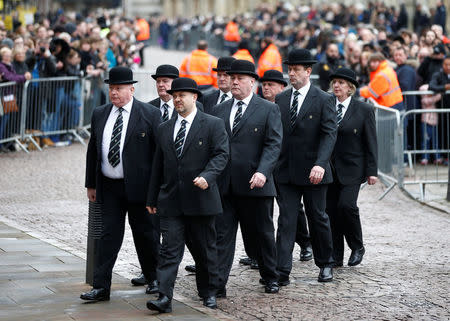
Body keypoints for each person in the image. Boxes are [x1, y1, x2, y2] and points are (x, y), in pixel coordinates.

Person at [146, 77, 229, 313]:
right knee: (169, 250)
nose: (177, 99)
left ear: (194, 97)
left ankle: (209, 292)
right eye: (175, 95)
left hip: (201, 200)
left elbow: (221, 155)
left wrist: (208, 176)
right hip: (171, 201)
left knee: (204, 250)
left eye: (182, 95)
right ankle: (164, 297)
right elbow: (158, 165)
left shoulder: (213, 124)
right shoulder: (164, 129)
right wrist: (152, 199)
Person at [80, 66, 161, 302]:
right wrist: (91, 184)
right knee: (107, 236)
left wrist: (155, 190)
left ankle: (154, 279)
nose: (114, 93)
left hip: (140, 188)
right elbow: (93, 151)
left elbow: (158, 156)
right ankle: (101, 286)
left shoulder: (149, 114)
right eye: (111, 88)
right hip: (109, 187)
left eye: (119, 88)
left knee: (146, 235)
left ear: (131, 89)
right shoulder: (100, 113)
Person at [212, 59, 283, 294]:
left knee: (262, 234)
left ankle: (270, 277)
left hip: (256, 185)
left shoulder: (268, 109)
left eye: (239, 78)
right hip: (226, 186)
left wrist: (263, 171)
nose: (234, 82)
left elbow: (273, 145)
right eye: (232, 78)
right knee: (222, 236)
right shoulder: (220, 110)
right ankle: (217, 284)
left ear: (252, 82)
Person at [274, 48, 337, 284]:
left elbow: (329, 134)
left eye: (296, 70)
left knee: (318, 217)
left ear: (308, 72)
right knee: (286, 220)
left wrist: (321, 164)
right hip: (286, 171)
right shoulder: (281, 99)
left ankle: (325, 263)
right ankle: (282, 270)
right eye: (289, 70)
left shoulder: (324, 99)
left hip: (314, 171)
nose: (291, 74)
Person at [259, 69, 314, 262]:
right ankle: (265, 252)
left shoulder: (288, 103)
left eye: (270, 85)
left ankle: (305, 242)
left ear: (282, 87)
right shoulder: (259, 105)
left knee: (290, 209)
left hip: (285, 163)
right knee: (267, 209)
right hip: (265, 164)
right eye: (263, 85)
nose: (266, 88)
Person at [327, 67, 378, 267]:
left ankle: (357, 246)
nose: (336, 85)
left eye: (340, 82)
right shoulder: (327, 105)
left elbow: (371, 142)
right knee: (331, 211)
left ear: (350, 87)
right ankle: (336, 255)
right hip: (329, 168)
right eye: (334, 82)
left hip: (353, 168)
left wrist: (372, 171)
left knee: (346, 206)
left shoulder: (363, 110)